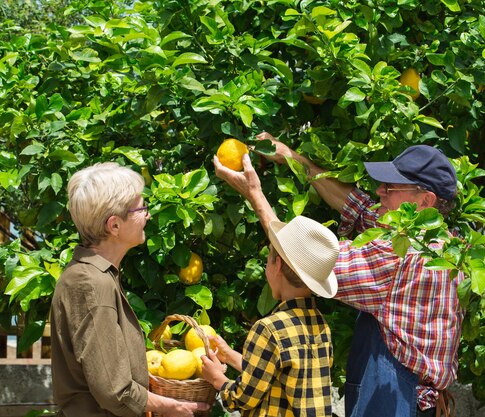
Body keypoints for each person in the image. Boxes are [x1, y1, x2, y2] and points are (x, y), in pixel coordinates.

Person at [213, 133, 464, 417]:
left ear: (424, 200)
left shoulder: (400, 255)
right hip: (422, 403)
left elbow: (306, 260)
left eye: (391, 187)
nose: (379, 191)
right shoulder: (450, 244)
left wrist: (254, 193)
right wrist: (293, 159)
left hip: (394, 403)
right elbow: (356, 207)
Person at [50, 162, 209, 417]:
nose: (147, 215)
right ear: (114, 226)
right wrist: (173, 407)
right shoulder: (91, 283)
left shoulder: (96, 276)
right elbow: (114, 390)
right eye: (141, 208)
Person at [201, 215, 339, 417]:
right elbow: (274, 373)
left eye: (267, 260)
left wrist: (217, 380)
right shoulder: (320, 324)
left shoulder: (269, 329)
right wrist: (229, 356)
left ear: (278, 265)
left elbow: (243, 397)